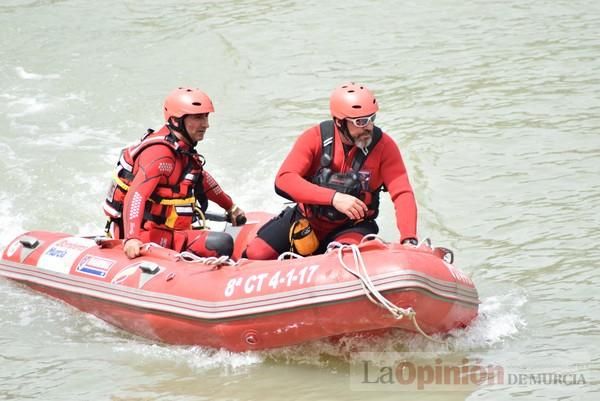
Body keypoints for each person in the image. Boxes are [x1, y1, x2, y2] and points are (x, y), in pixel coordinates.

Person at [243, 82, 417, 260]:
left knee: (343, 259)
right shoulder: (315, 138)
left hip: (352, 226)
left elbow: (402, 193)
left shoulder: (384, 147)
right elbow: (284, 180)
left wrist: (409, 239)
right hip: (306, 220)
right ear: (339, 122)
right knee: (256, 253)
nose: (369, 127)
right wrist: (334, 198)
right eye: (360, 122)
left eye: (372, 119)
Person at [103, 87, 246, 259]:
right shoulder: (160, 155)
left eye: (206, 117)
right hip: (145, 236)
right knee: (222, 243)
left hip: (170, 233)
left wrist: (230, 207)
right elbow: (136, 196)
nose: (206, 124)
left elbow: (202, 179)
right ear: (177, 120)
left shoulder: (183, 151)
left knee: (221, 243)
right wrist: (132, 238)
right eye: (198, 117)